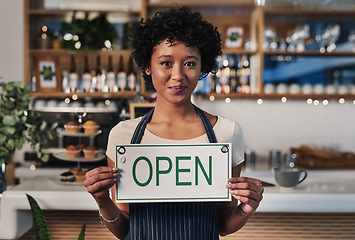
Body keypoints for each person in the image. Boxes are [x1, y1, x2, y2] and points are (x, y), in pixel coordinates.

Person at [84, 6, 264, 240]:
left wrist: (246, 209)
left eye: (190, 63)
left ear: (202, 67)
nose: (178, 75)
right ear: (148, 66)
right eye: (166, 63)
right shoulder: (123, 136)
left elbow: (221, 222)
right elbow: (125, 226)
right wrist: (103, 201)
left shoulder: (226, 132)